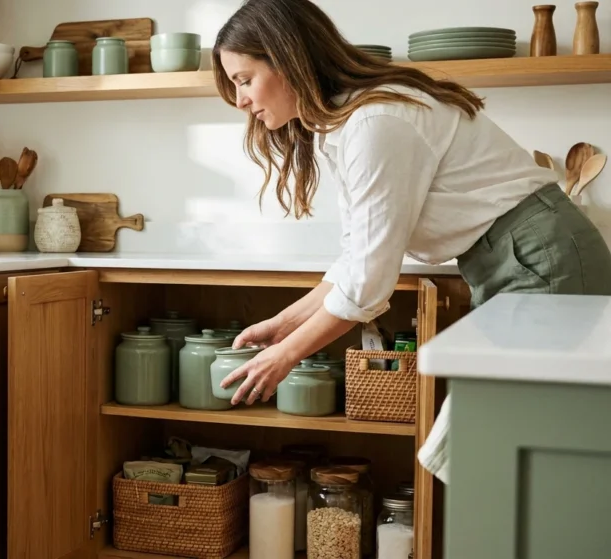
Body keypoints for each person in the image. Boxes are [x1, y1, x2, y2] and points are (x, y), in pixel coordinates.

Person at [210, 0, 611, 462]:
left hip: (543, 261)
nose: (240, 100)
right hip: (518, 260)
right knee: (488, 447)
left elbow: (365, 281)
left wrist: (285, 356)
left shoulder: (375, 123)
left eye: (244, 80)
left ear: (287, 58)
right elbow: (356, 257)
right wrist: (283, 326)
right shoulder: (346, 123)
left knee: (489, 446)